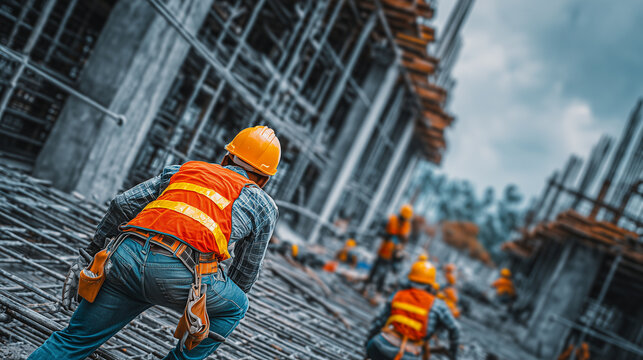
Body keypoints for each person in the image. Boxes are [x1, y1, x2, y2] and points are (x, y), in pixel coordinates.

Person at [28, 126, 281, 360]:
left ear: (226, 157)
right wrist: (205, 301)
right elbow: (245, 272)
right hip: (180, 275)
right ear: (264, 180)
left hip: (124, 258)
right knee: (236, 306)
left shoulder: (183, 170)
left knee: (71, 341)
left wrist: (90, 256)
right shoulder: (263, 204)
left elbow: (122, 204)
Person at [366, 260, 460, 360]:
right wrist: (453, 354)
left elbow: (379, 322)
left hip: (379, 348)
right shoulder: (437, 304)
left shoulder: (398, 295)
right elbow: (455, 328)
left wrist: (368, 343)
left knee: (374, 343)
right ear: (431, 284)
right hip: (406, 356)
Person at [364, 204, 414, 295]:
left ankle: (378, 290)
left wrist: (400, 249)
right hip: (384, 249)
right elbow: (380, 231)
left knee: (385, 272)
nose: (403, 220)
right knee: (375, 268)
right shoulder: (391, 219)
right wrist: (386, 235)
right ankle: (367, 285)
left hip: (393, 253)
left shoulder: (407, 226)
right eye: (402, 218)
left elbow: (405, 239)